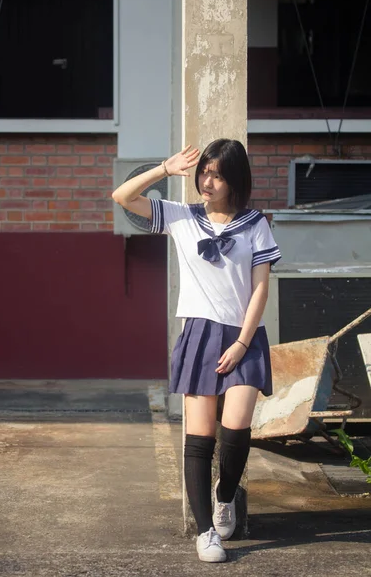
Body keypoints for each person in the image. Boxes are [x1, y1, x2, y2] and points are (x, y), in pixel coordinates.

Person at [112, 139, 281, 563]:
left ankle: (224, 496)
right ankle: (206, 532)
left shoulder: (255, 223)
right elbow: (122, 197)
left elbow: (261, 286)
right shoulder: (181, 216)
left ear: (234, 178)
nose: (207, 180)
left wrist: (243, 342)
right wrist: (166, 169)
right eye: (203, 171)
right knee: (199, 436)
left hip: (245, 334)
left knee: (236, 429)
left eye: (217, 174)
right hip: (200, 333)